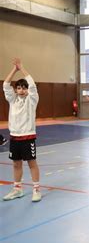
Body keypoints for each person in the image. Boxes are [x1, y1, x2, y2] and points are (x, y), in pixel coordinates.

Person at [2, 58, 41, 202]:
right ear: (16, 90)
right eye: (19, 88)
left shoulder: (32, 100)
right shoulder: (13, 100)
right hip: (14, 137)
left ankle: (36, 189)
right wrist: (14, 69)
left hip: (28, 137)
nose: (22, 90)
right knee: (16, 164)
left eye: (24, 88)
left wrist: (22, 68)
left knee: (32, 163)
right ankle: (17, 189)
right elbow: (6, 84)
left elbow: (32, 84)